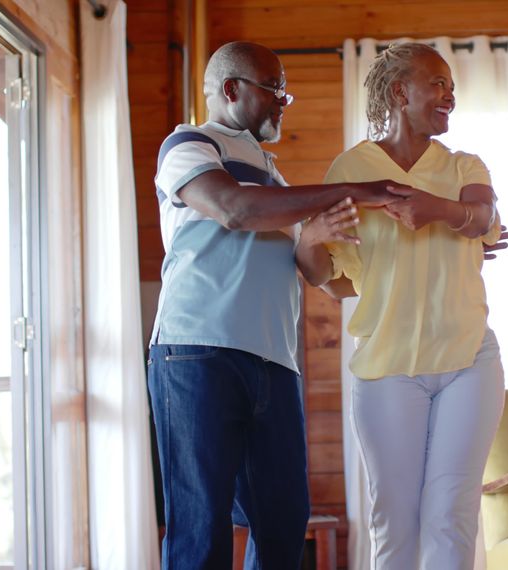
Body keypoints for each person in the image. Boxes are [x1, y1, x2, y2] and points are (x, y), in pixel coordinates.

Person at [147, 41, 418, 570]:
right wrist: (354, 190)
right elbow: (232, 208)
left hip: (274, 363)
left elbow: (310, 267)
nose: (284, 103)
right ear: (231, 90)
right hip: (197, 353)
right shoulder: (188, 143)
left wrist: (319, 235)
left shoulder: (275, 176)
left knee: (283, 524)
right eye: (276, 90)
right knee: (201, 529)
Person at [296, 42, 507, 569]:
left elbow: (483, 216)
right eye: (438, 85)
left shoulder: (463, 165)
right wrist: (309, 240)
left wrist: (435, 210)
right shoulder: (352, 168)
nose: (450, 98)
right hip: (388, 369)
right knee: (394, 519)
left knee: (450, 514)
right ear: (399, 91)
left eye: (452, 88)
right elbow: (335, 279)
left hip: (469, 362)